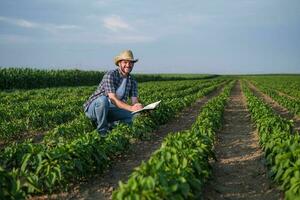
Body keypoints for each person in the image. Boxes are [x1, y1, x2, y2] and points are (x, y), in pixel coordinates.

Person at [83, 50, 143, 136]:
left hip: (111, 111)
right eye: (125, 62)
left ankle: (111, 125)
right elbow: (113, 99)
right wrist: (131, 108)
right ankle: (102, 132)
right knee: (103, 100)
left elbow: (134, 101)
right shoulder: (111, 75)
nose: (128, 65)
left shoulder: (132, 81)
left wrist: (139, 107)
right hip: (95, 109)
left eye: (130, 63)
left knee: (135, 116)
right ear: (119, 63)